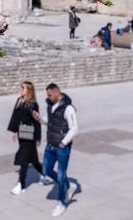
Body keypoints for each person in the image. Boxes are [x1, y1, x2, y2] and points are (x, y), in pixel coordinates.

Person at [39, 83, 77, 217]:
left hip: (62, 147)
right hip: (50, 145)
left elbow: (74, 128)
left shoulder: (68, 108)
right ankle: (68, 185)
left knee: (60, 175)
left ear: (56, 93)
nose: (47, 97)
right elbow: (50, 122)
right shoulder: (50, 105)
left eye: (49, 95)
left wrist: (63, 142)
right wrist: (40, 119)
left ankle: (62, 202)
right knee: (46, 170)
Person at [7, 81, 42, 195]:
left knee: (24, 159)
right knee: (34, 160)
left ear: (29, 90)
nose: (21, 89)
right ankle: (45, 174)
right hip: (22, 133)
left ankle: (21, 184)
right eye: (21, 87)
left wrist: (38, 138)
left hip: (30, 135)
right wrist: (14, 131)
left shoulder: (33, 104)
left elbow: (37, 122)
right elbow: (15, 116)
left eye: (23, 88)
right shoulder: (19, 101)